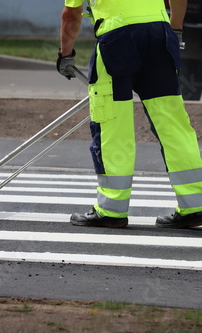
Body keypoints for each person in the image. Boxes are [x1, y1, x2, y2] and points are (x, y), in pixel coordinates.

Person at [57, 0, 202, 229]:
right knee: (173, 123)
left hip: (117, 38)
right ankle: (196, 204)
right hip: (159, 35)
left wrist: (65, 54)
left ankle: (111, 210)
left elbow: (71, 15)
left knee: (113, 123)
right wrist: (174, 31)